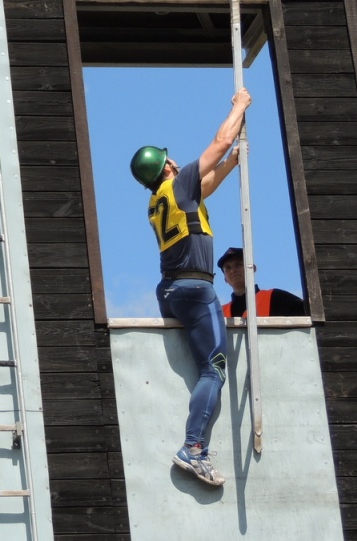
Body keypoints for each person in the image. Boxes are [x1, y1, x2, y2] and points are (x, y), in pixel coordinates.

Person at [129, 88, 252, 487]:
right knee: (214, 368)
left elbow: (208, 184)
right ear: (167, 167)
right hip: (195, 289)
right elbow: (218, 143)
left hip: (169, 288)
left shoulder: (161, 200)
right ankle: (193, 448)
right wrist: (238, 107)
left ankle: (193, 440)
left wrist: (234, 162)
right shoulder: (177, 184)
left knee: (198, 362)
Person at [217, 247, 305, 317]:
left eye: (238, 264)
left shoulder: (275, 298)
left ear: (252, 268)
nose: (233, 270)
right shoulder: (219, 314)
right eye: (228, 268)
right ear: (225, 278)